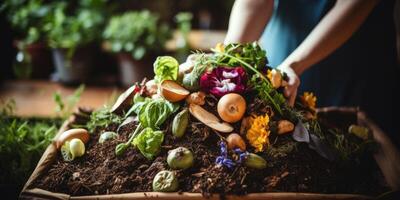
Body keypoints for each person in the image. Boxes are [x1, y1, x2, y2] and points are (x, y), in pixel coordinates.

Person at [224, 0, 400, 145]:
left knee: (356, 150)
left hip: (354, 64)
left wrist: (294, 65)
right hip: (282, 54)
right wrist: (228, 57)